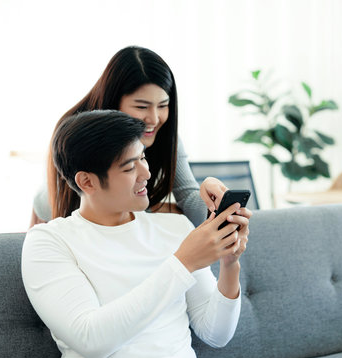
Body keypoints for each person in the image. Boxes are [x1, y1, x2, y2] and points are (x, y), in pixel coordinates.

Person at [22, 110, 250, 358]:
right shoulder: (49, 242)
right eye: (130, 167)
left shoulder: (175, 228)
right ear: (87, 182)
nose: (147, 174)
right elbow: (90, 339)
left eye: (143, 158)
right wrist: (183, 262)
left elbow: (215, 334)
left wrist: (229, 264)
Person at [30, 46, 229, 227]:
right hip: (54, 212)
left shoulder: (166, 135)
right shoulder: (78, 132)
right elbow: (90, 212)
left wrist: (211, 195)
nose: (154, 118)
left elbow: (187, 199)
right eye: (141, 107)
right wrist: (162, 209)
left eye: (162, 105)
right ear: (113, 102)